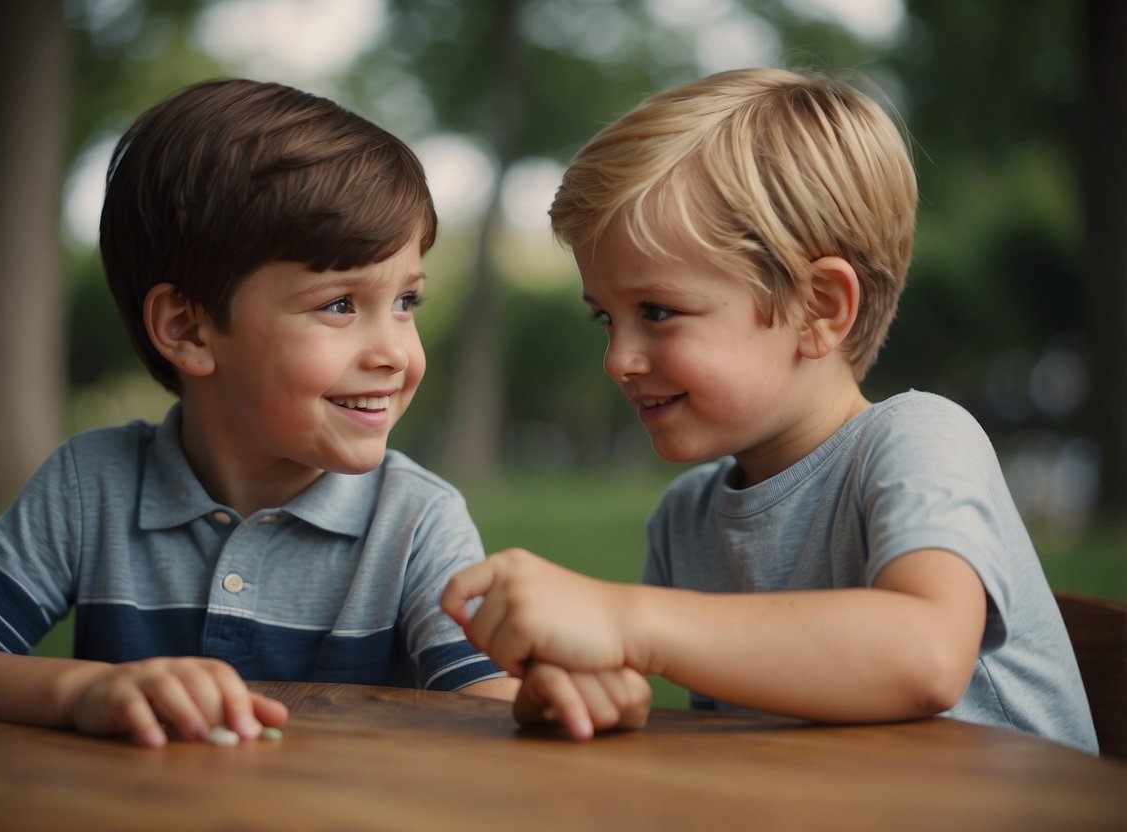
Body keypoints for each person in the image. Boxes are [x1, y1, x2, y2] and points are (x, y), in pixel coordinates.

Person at [442, 67, 1098, 753]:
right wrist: (582, 687)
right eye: (604, 318)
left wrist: (625, 617)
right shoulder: (685, 520)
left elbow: (927, 655)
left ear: (817, 309)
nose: (617, 359)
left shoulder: (917, 439)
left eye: (657, 312)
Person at [0, 78, 555, 749]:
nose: (395, 351)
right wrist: (85, 691)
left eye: (405, 302)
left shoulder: (416, 518)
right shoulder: (88, 486)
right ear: (189, 329)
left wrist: (559, 693)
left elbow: (489, 703)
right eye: (339, 304)